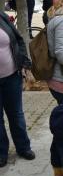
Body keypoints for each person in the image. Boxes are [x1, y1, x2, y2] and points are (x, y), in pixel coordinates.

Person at [0, 10, 35, 167]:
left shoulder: (1, 16)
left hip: (11, 76)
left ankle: (23, 147)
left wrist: (25, 63)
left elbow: (18, 40)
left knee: (16, 114)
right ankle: (2, 152)